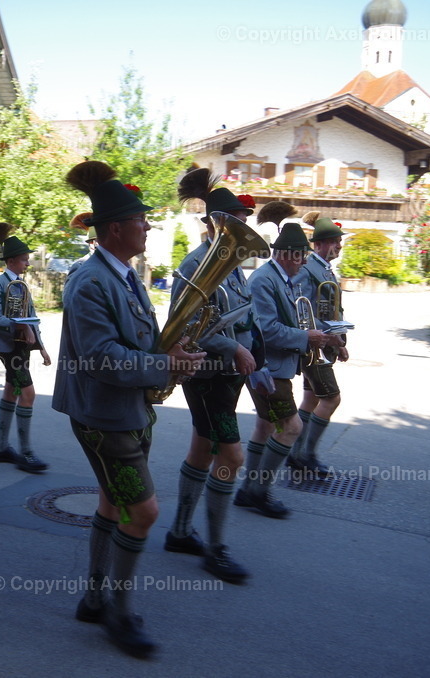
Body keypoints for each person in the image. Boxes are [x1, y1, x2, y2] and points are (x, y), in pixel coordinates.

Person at [56, 160, 203, 658]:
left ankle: (95, 600)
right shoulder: (90, 282)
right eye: (141, 220)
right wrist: (164, 364)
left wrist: (174, 352)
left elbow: (138, 340)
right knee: (142, 512)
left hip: (125, 408)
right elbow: (104, 359)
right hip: (105, 415)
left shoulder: (124, 276)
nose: (147, 226)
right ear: (115, 228)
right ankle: (118, 612)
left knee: (110, 502)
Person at [162, 169, 263, 583]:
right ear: (215, 223)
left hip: (228, 377)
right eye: (236, 221)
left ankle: (180, 532)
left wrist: (255, 351)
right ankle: (217, 550)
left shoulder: (234, 266)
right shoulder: (195, 263)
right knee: (232, 455)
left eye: (245, 221)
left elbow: (239, 317)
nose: (244, 227)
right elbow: (183, 327)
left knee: (203, 449)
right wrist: (234, 348)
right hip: (206, 375)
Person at [238, 223, 343, 518]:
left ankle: (249, 490)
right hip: (267, 367)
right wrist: (306, 338)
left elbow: (302, 317)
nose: (304, 262)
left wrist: (329, 335)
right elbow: (267, 330)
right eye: (300, 256)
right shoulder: (264, 280)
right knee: (292, 428)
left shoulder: (286, 278)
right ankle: (259, 492)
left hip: (277, 365)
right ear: (287, 255)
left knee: (266, 426)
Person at [0, 222, 51, 474]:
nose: (27, 264)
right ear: (11, 261)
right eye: (24, 260)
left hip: (21, 347)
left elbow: (31, 318)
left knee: (12, 390)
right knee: (28, 394)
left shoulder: (21, 284)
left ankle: (0, 448)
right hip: (8, 347)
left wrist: (42, 347)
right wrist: (19, 327)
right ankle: (26, 452)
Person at [288, 212, 349, 476]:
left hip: (325, 345)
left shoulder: (323, 268)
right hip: (315, 347)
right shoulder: (308, 269)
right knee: (331, 398)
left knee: (312, 399)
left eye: (339, 241)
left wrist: (341, 340)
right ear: (320, 244)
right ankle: (307, 454)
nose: (339, 246)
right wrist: (328, 336)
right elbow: (300, 309)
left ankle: (295, 453)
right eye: (334, 241)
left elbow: (331, 307)